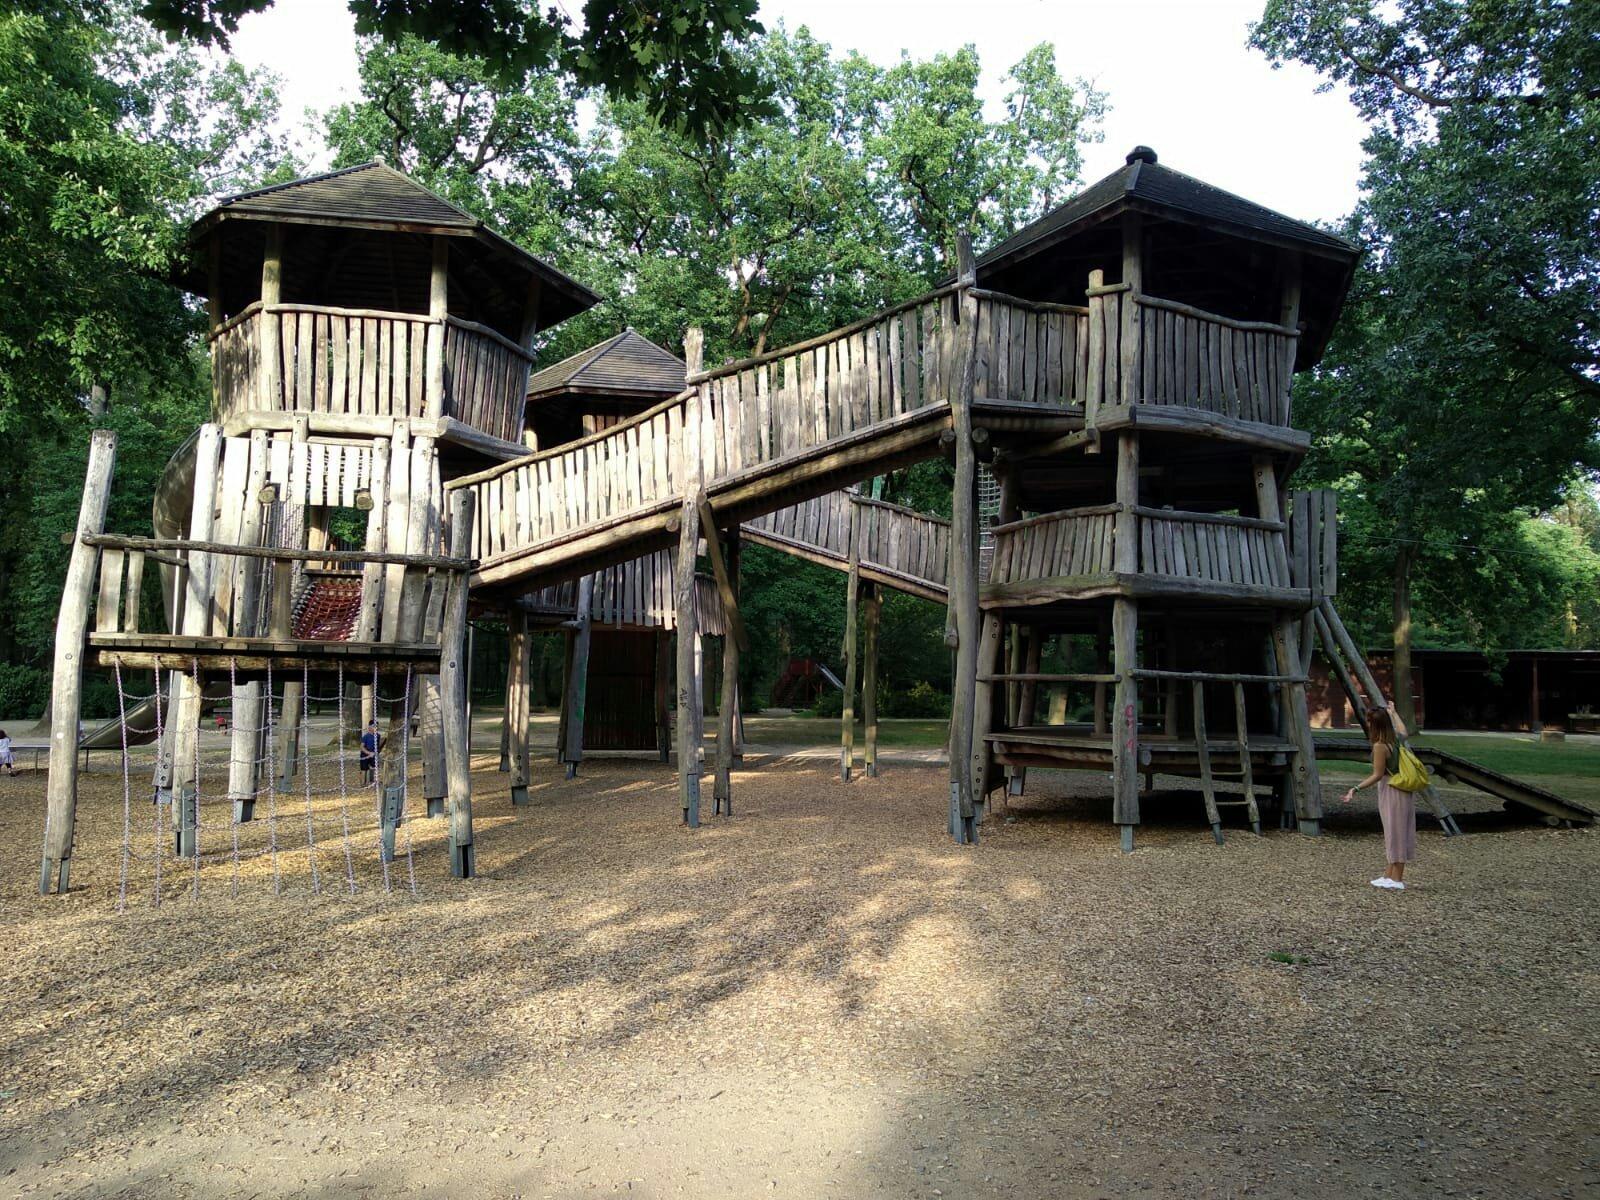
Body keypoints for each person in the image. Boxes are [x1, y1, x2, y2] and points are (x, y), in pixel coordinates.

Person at [1341, 700, 1417, 890]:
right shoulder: (1394, 739)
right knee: (1397, 832)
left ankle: (1397, 879)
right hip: (1402, 790)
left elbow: (1377, 774)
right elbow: (1404, 731)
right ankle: (1389, 875)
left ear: (1374, 725)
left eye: (1368, 721)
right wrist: (1393, 712)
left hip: (1392, 790)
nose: (1366, 724)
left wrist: (1355, 789)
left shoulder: (1380, 746)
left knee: (1395, 833)